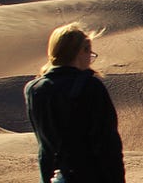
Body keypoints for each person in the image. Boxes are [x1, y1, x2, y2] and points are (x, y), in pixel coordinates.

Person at [25, 22, 126, 183]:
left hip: (51, 176)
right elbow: (107, 144)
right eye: (90, 52)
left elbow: (44, 145)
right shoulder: (90, 86)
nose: (91, 58)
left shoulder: (33, 90)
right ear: (81, 51)